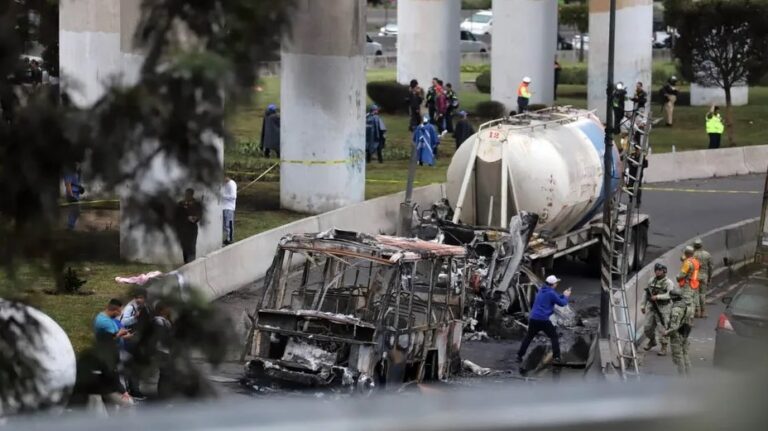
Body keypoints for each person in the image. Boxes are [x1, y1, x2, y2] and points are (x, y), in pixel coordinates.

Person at [516, 275, 572, 371]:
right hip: (543, 320)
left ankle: (519, 355)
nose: (556, 285)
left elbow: (555, 297)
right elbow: (562, 303)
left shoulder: (542, 290)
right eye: (556, 283)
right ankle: (557, 357)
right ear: (553, 284)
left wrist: (563, 295)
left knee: (529, 337)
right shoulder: (551, 293)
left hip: (533, 319)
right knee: (554, 336)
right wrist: (566, 296)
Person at [641, 263, 673, 356]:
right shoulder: (651, 280)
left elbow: (669, 295)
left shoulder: (668, 283)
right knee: (647, 327)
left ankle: (664, 346)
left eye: (660, 270)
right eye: (656, 270)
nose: (657, 272)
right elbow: (646, 294)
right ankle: (652, 341)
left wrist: (658, 297)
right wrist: (643, 306)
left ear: (664, 271)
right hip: (652, 307)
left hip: (663, 308)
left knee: (662, 328)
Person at [664, 286, 693, 376]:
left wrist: (666, 333)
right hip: (685, 332)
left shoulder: (676, 309)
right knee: (685, 354)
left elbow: (674, 326)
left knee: (678, 356)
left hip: (677, 335)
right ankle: (689, 375)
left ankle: (682, 376)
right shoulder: (686, 305)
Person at [152, 302, 175, 399]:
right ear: (161, 310)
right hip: (162, 352)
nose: (170, 310)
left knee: (167, 375)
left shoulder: (166, 321)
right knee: (165, 374)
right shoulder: (158, 322)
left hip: (166, 351)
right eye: (167, 308)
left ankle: (166, 395)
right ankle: (163, 396)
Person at [175, 188, 203, 263]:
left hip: (192, 229)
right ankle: (186, 263)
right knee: (184, 248)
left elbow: (199, 215)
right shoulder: (181, 204)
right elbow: (177, 215)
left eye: (189, 194)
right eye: (186, 194)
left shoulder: (196, 204)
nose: (187, 196)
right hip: (183, 229)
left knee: (191, 247)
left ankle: (192, 264)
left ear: (192, 195)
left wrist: (195, 218)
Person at [676, 246, 700, 321]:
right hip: (694, 283)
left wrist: (677, 277)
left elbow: (682, 275)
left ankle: (687, 319)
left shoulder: (687, 263)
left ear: (686, 253)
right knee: (692, 302)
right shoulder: (696, 261)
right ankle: (691, 316)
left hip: (687, 285)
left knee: (686, 302)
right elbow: (683, 258)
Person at [692, 238, 713, 318]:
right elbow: (711, 267)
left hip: (695, 276)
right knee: (703, 294)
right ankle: (703, 312)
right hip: (704, 276)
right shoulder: (707, 254)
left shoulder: (692, 255)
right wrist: (710, 277)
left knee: (696, 294)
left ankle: (696, 312)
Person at [63, 162, 84, 230]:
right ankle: (70, 228)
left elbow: (75, 184)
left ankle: (70, 227)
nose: (78, 166)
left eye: (79, 164)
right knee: (74, 211)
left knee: (76, 212)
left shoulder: (76, 174)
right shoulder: (69, 173)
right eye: (77, 164)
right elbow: (68, 185)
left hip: (76, 194)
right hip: (72, 195)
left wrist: (80, 188)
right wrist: (71, 195)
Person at [222, 175, 237, 245]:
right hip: (223, 207)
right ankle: (226, 239)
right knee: (224, 225)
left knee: (229, 224)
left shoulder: (232, 184)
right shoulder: (224, 184)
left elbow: (233, 196)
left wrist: (223, 196)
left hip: (229, 207)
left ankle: (230, 239)